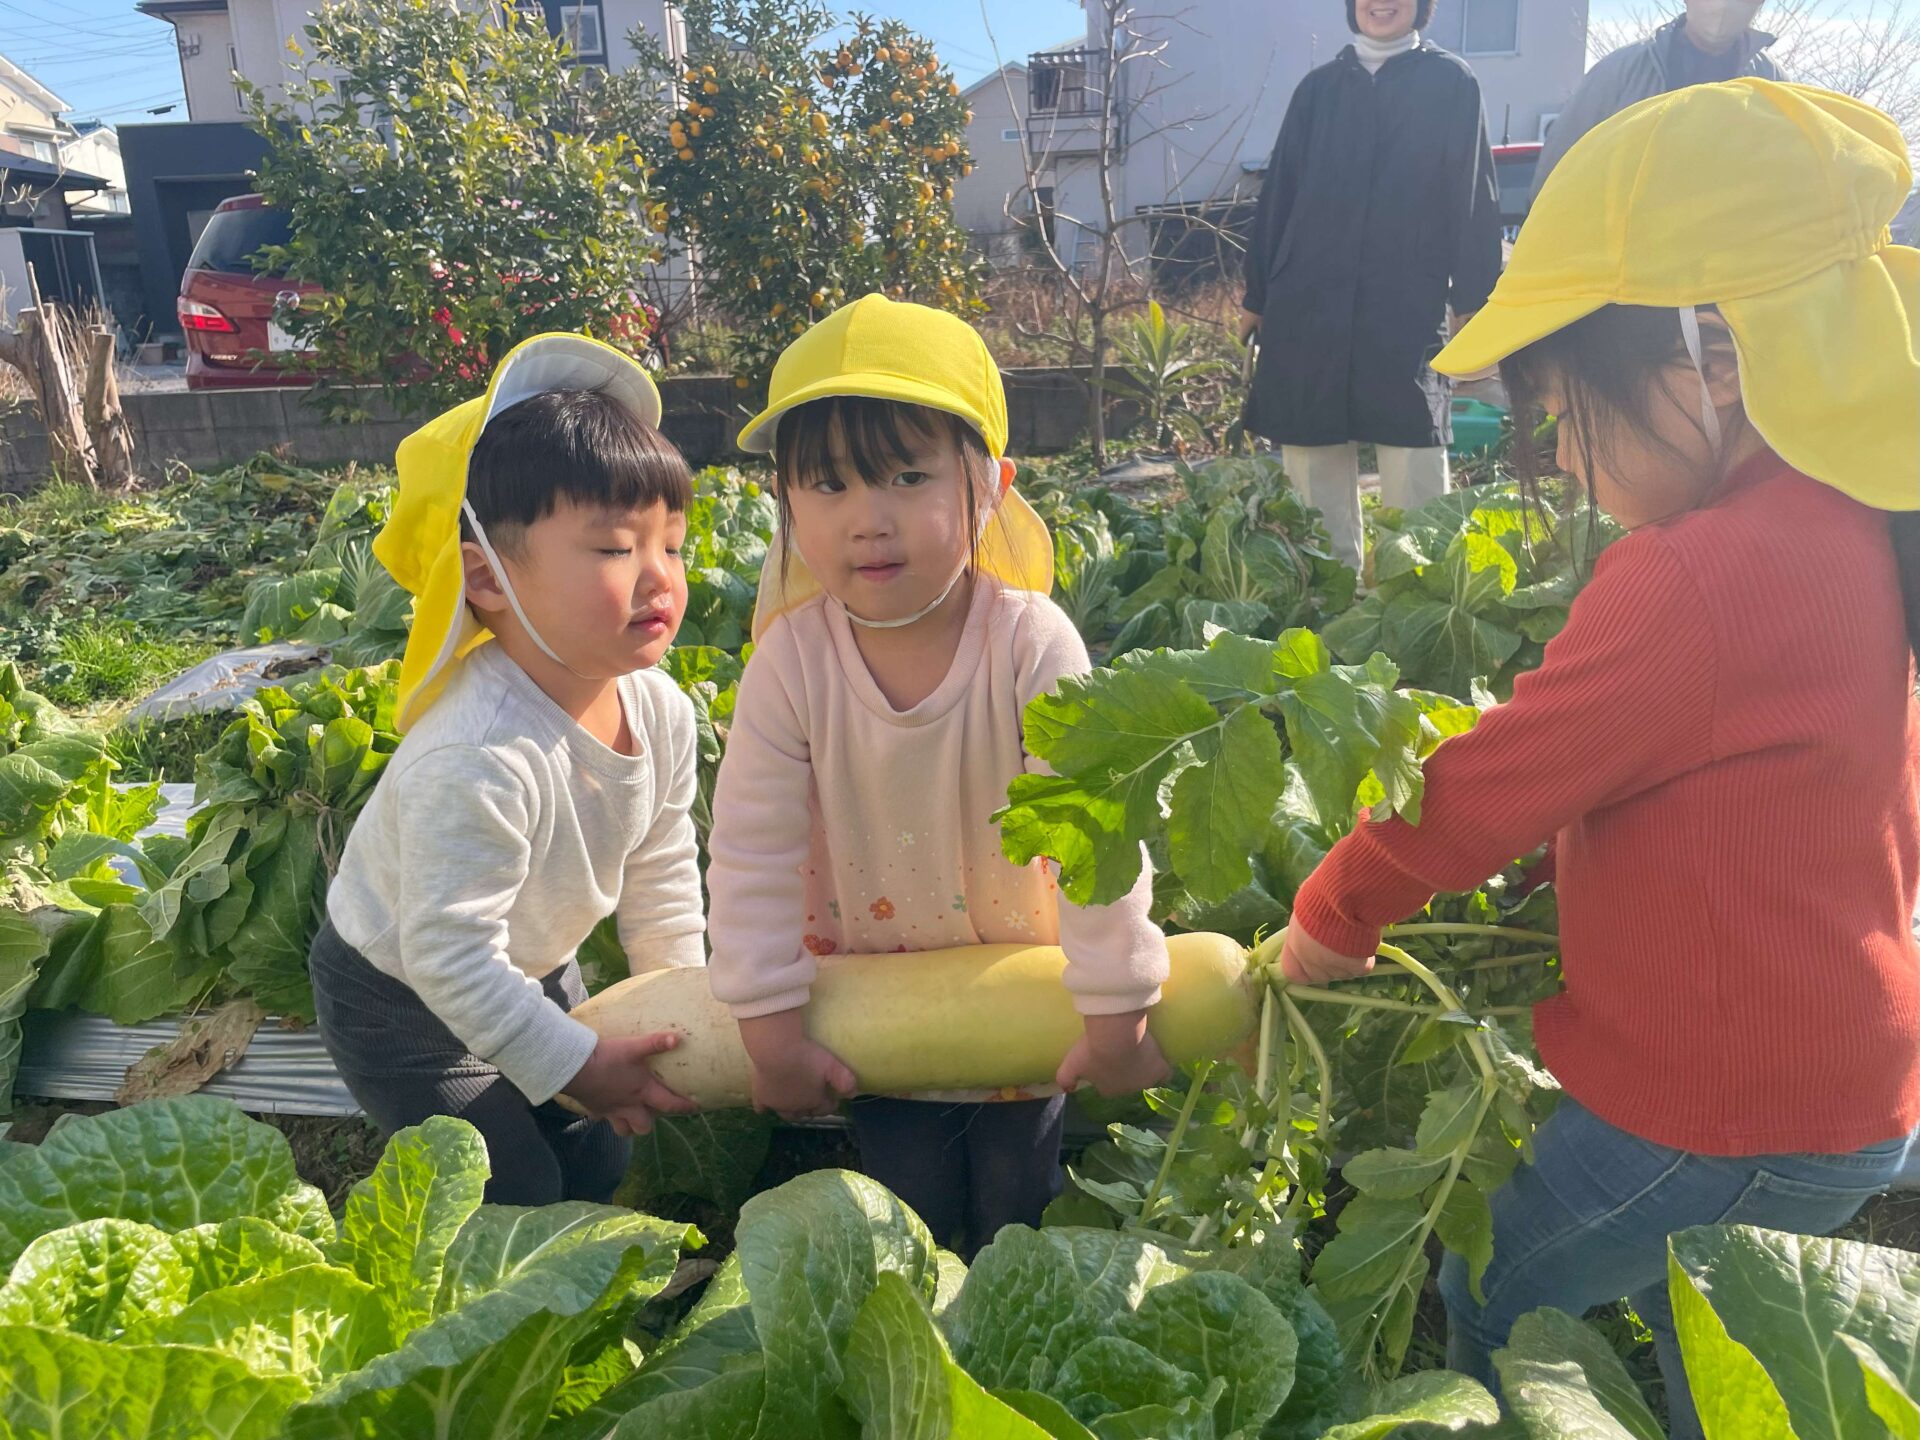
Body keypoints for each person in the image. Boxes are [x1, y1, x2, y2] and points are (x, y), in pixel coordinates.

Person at [1278, 80, 1919, 1436]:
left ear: (1715, 360)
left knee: (1499, 1284)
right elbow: (1763, 797)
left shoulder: (1694, 577)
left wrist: (1336, 911)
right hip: (1838, 1084)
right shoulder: (1852, 524)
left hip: (1724, 1111)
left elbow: (1485, 787)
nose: (1561, 460)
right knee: (1719, 1341)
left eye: (1566, 418)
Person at [705, 295, 1170, 1257]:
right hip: (873, 1013)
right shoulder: (789, 662)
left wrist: (1118, 997)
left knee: (1016, 1210)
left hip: (1018, 996)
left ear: (989, 486)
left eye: (907, 477)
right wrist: (769, 1025)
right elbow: (751, 848)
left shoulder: (1031, 643)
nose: (867, 521)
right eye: (828, 486)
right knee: (907, 1213)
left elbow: (1093, 826)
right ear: (785, 500)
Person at [312, 333, 706, 1207]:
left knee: (594, 1155)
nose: (660, 579)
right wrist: (577, 1062)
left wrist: (680, 1006)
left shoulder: (662, 711)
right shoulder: (477, 754)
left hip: (528, 958)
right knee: (502, 1182)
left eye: (672, 545)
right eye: (616, 550)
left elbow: (662, 867)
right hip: (400, 993)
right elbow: (448, 954)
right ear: (486, 578)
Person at [1239, 0, 1503, 574]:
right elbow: (1279, 194)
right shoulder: (1318, 90)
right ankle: (1330, 590)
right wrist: (1257, 296)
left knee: (1413, 447)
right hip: (1308, 300)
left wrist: (1474, 301)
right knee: (1313, 452)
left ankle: (1414, 588)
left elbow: (1473, 196)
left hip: (1406, 300)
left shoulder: (1450, 83)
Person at [1535, 0, 1784, 187]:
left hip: (1733, 239)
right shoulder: (1619, 73)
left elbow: (1792, 176)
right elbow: (1558, 169)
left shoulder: (1774, 82)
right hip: (1634, 239)